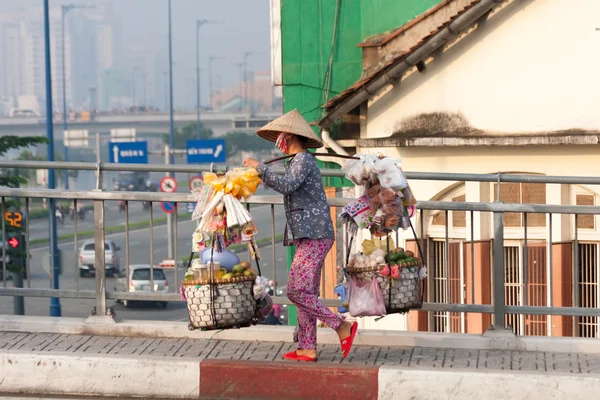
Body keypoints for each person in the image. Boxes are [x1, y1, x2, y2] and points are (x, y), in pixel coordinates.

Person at [244, 109, 357, 362]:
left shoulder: (304, 160)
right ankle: (307, 346)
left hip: (316, 234)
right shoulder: (295, 161)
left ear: (290, 136)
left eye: (281, 136)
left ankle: (340, 326)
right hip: (308, 234)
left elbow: (287, 186)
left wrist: (260, 168)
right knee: (307, 292)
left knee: (296, 291)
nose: (279, 141)